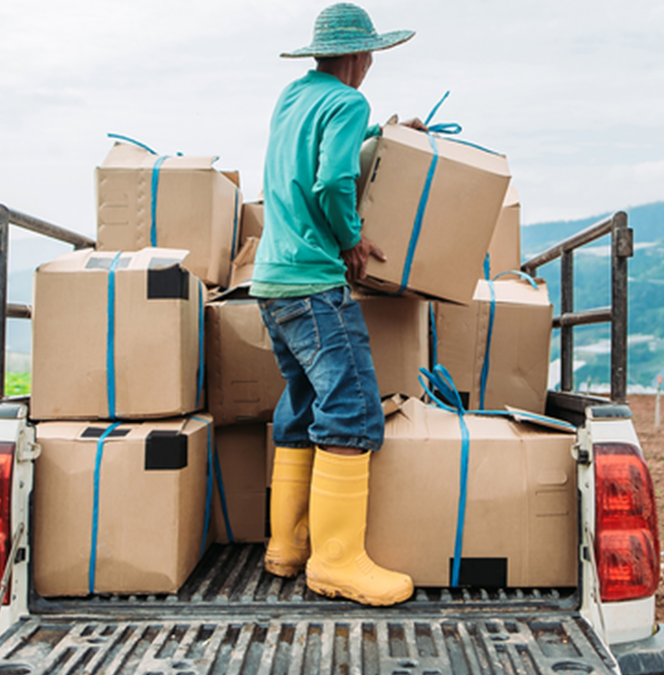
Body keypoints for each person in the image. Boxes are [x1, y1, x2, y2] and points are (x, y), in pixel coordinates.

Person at [251, 2, 416, 606]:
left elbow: (306, 154)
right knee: (350, 411)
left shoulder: (295, 96)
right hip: (314, 283)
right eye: (372, 55)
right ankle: (337, 562)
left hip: (271, 283)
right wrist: (351, 239)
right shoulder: (349, 101)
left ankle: (287, 546)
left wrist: (379, 135)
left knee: (301, 405)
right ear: (359, 56)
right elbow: (329, 181)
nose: (371, 65)